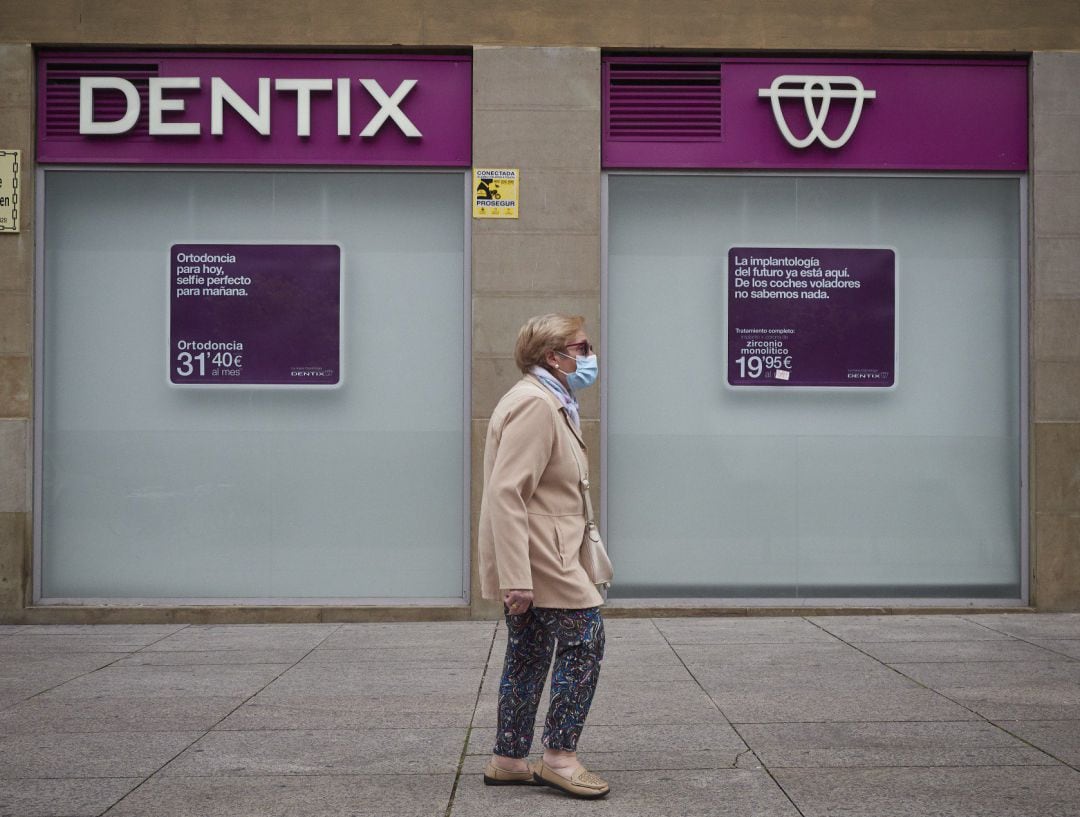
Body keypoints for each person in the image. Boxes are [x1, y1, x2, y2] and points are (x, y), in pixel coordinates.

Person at [478, 313, 609, 800]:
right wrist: (517, 577)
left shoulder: (550, 399)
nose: (589, 355)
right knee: (585, 640)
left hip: (540, 552)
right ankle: (559, 757)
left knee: (529, 652)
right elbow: (508, 494)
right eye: (581, 347)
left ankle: (509, 759)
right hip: (542, 557)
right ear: (553, 357)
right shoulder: (536, 404)